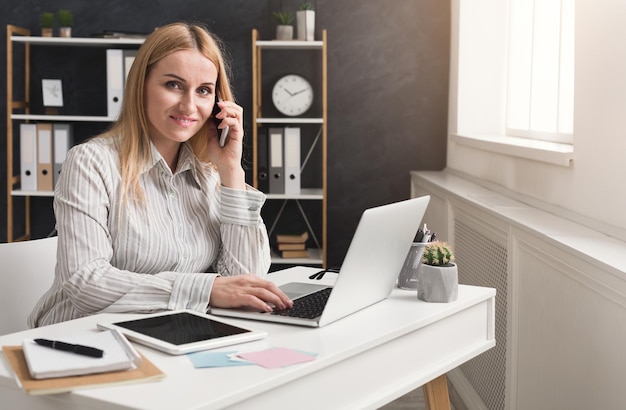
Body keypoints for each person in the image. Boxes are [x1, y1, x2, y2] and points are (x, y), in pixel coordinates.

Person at [29, 22, 292, 327]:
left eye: (204, 90)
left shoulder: (209, 174)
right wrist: (204, 289)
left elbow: (249, 282)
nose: (188, 105)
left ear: (218, 103)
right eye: (173, 85)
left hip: (170, 333)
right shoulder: (91, 163)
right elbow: (85, 283)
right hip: (82, 340)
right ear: (142, 85)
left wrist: (231, 170)